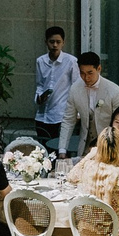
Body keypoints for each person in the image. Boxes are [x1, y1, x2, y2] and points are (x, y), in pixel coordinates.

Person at [34, 26, 80, 155]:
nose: (55, 45)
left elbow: (76, 87)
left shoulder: (71, 61)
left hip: (61, 114)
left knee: (61, 150)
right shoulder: (40, 61)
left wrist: (77, 114)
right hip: (43, 114)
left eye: (58, 42)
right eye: (51, 42)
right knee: (44, 153)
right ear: (46, 42)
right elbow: (39, 84)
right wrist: (39, 97)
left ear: (63, 43)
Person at [71, 52, 119, 154]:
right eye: (82, 73)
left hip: (110, 148)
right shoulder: (75, 88)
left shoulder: (115, 91)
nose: (86, 77)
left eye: (90, 73)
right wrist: (62, 149)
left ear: (99, 69)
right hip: (86, 148)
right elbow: (68, 119)